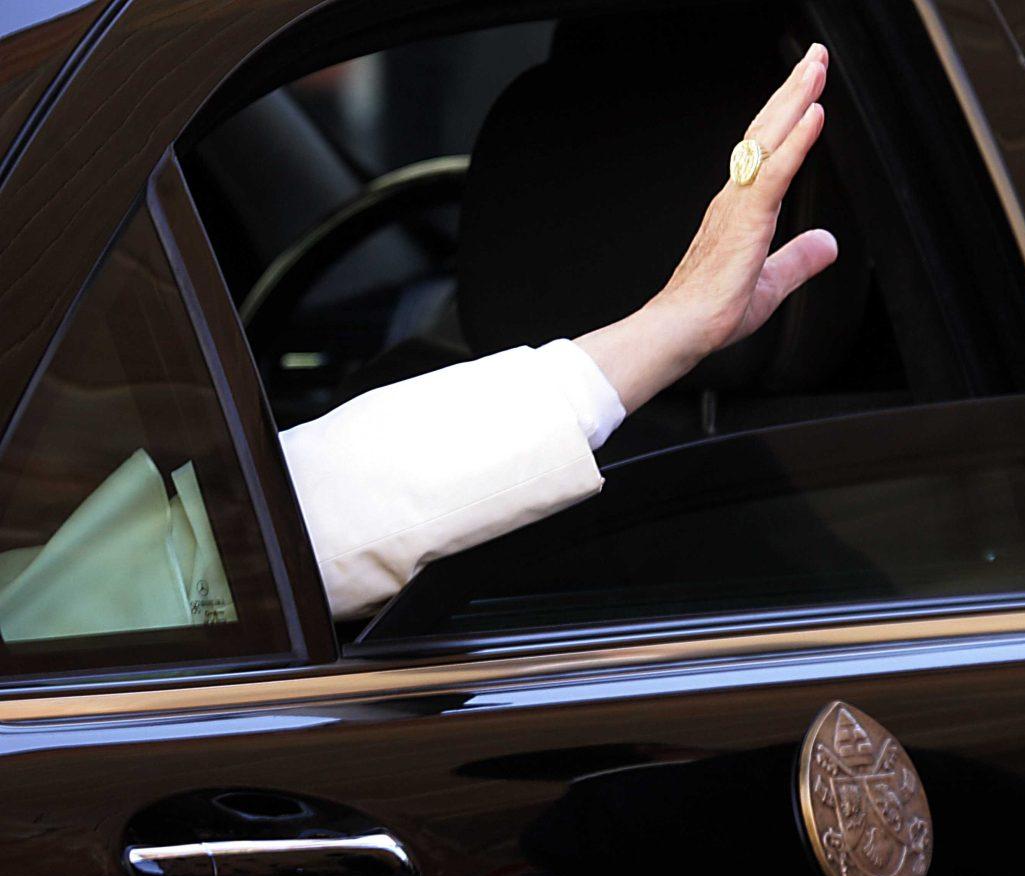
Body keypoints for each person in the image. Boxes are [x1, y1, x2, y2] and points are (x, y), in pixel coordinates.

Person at [282, 43, 837, 620]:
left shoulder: (380, 385)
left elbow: (259, 541)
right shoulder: (735, 517)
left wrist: (678, 320)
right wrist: (675, 321)